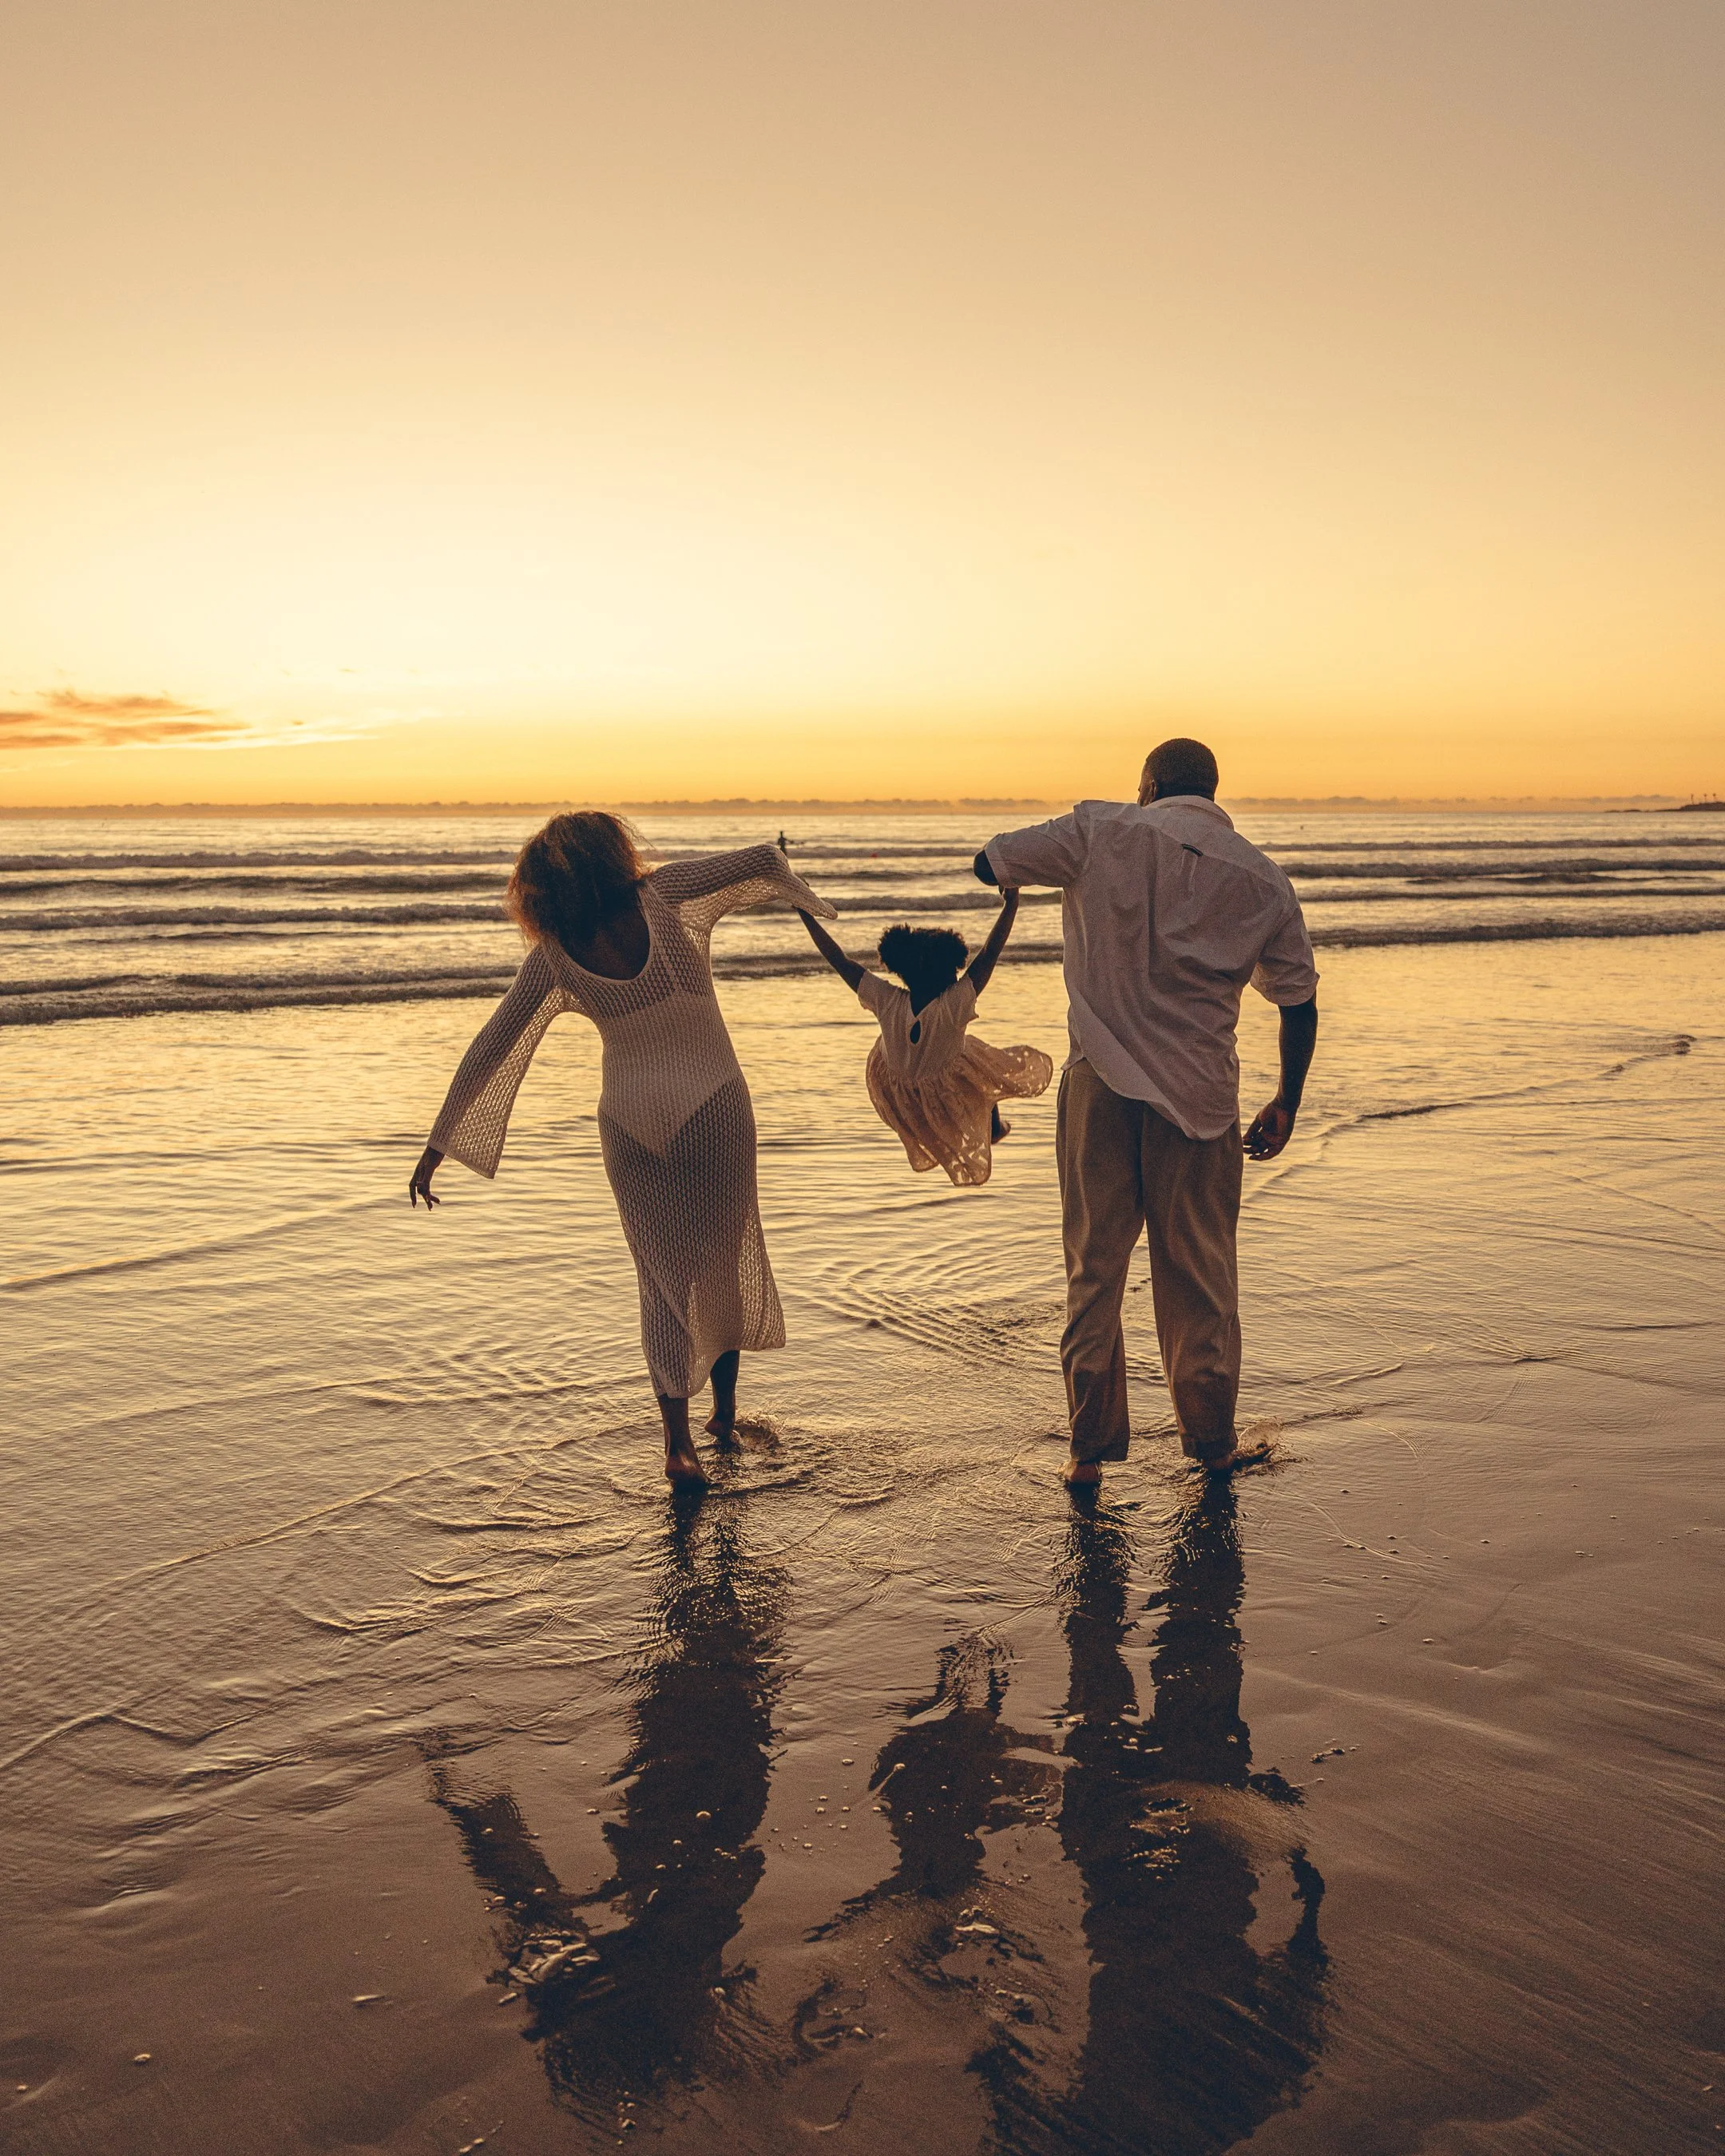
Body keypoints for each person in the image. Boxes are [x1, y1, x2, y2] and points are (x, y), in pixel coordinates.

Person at [407, 813, 835, 1486]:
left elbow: (492, 1048)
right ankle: (724, 1414)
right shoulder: (665, 896)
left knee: (661, 1284)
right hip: (715, 1105)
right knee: (722, 1260)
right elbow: (758, 859)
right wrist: (816, 905)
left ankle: (679, 1447)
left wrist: (438, 1146)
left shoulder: (553, 954)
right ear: (613, 854)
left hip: (632, 1126)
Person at [977, 739, 1319, 1482]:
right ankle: (1212, 1445)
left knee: (1094, 1269)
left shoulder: (1099, 830)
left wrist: (1043, 890)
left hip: (1099, 1085)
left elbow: (991, 858)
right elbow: (1298, 1000)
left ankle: (1087, 1455)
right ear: (1212, 789)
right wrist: (1287, 1102)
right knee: (1199, 1275)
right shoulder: (1260, 878)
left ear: (1150, 785)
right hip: (1199, 1102)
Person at [797, 892, 1053, 1187]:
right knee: (978, 1063)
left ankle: (966, 1123)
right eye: (956, 972)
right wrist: (1012, 904)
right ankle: (992, 1125)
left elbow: (838, 959)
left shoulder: (886, 999)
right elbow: (990, 953)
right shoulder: (953, 1004)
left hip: (896, 1080)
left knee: (965, 1052)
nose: (959, 978)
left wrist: (806, 914)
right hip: (939, 1076)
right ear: (948, 973)